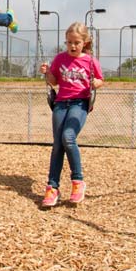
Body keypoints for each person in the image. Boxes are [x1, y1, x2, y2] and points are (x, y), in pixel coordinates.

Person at [38, 22, 104, 207]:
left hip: (80, 103)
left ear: (84, 42)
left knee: (68, 137)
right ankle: (52, 187)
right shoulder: (60, 59)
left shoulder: (90, 61)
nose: (72, 46)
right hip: (61, 102)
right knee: (57, 144)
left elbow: (100, 80)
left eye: (76, 42)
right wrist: (47, 72)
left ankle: (78, 181)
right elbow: (54, 81)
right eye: (69, 42)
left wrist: (94, 83)